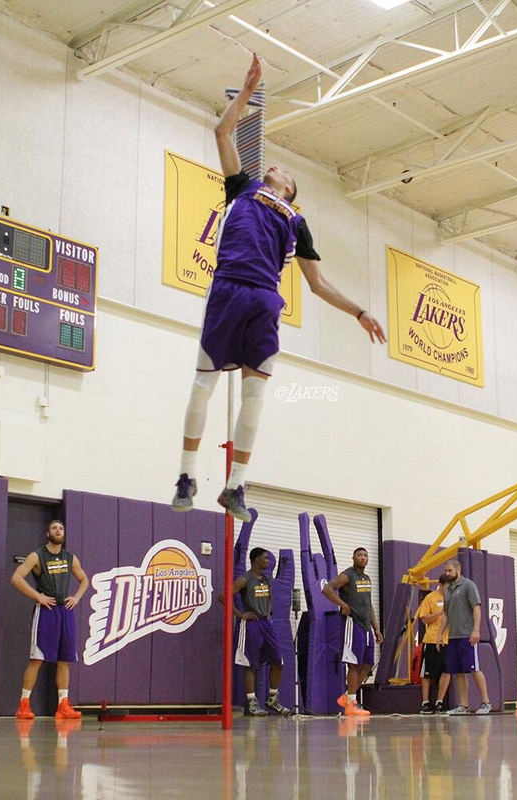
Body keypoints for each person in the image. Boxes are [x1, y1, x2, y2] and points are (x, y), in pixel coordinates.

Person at [171, 53, 387, 522]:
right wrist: (246, 94)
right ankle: (187, 475)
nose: (279, 168)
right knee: (203, 384)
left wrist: (359, 311)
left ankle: (236, 487)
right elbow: (222, 133)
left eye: (287, 172)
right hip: (229, 287)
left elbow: (317, 283)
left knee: (255, 396)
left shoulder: (298, 221)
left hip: (267, 300)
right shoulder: (243, 188)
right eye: (278, 167)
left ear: (290, 190)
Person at [10, 519, 88, 720]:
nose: (58, 530)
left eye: (61, 528)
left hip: (65, 612)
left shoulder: (70, 558)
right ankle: (23, 705)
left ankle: (63, 705)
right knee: (37, 658)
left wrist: (77, 597)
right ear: (48, 533)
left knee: (65, 660)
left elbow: (84, 580)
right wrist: (38, 597)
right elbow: (17, 577)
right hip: (46, 611)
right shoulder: (37, 555)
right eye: (54, 528)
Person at [227, 547, 291, 717]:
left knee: (278, 661)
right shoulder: (245, 579)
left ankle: (272, 699)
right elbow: (223, 596)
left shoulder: (267, 580)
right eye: (265, 558)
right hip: (250, 624)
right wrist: (240, 614)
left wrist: (268, 612)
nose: (268, 561)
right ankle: (252, 702)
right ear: (256, 560)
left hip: (265, 623)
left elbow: (270, 597)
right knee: (250, 664)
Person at [323, 547, 382, 716]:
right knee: (354, 665)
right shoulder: (347, 575)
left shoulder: (367, 578)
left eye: (365, 555)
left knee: (368, 664)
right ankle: (351, 704)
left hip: (366, 627)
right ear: (353, 557)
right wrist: (343, 605)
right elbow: (327, 588)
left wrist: (376, 627)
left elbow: (368, 604)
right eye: (359, 555)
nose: (363, 558)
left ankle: (347, 696)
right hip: (352, 623)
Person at [440, 559, 492, 715]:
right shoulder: (447, 589)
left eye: (450, 570)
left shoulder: (469, 585)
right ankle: (464, 705)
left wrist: (476, 629)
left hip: (467, 635)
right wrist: (440, 634)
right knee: (458, 672)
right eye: (446, 571)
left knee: (474, 669)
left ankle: (485, 702)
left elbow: (476, 607)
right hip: (453, 636)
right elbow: (445, 614)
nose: (447, 573)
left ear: (458, 569)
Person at [417, 573, 452, 714]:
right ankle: (425, 702)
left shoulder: (454, 598)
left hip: (448, 639)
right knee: (427, 672)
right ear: (441, 585)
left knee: (446, 670)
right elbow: (424, 618)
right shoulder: (430, 598)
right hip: (432, 639)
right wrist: (438, 614)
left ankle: (440, 701)